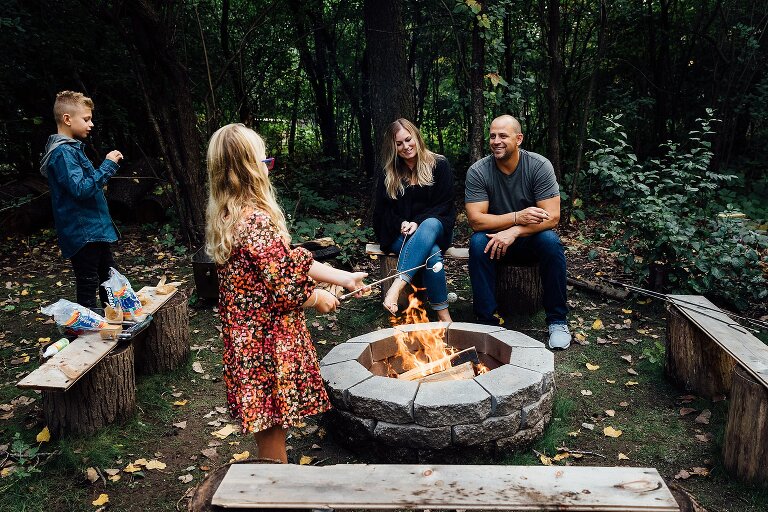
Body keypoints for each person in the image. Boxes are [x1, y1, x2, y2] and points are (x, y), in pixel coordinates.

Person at [205, 123, 368, 463]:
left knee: (270, 421)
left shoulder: (229, 214)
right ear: (252, 169)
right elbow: (285, 287)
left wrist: (344, 277)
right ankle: (274, 488)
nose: (269, 167)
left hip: (248, 341)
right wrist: (319, 298)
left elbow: (291, 260)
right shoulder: (255, 222)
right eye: (266, 160)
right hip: (265, 343)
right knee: (273, 426)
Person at [465, 115, 571, 349]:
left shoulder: (538, 165)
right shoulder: (479, 171)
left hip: (529, 239)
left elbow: (552, 217)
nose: (496, 141)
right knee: (476, 242)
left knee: (550, 241)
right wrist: (515, 217)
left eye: (503, 135)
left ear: (519, 138)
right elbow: (476, 220)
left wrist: (514, 230)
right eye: (492, 135)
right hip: (496, 240)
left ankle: (557, 320)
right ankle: (487, 321)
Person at [40, 91, 124, 309]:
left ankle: (113, 325)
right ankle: (84, 337)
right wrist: (107, 165)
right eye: (86, 119)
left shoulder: (71, 150)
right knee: (89, 284)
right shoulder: (62, 154)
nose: (91, 124)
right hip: (84, 234)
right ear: (67, 119)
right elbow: (81, 189)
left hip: (94, 231)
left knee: (109, 279)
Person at [373, 118, 456, 322]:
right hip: (399, 233)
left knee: (429, 224)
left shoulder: (439, 165)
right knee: (432, 254)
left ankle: (396, 286)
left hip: (435, 227)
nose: (405, 147)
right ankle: (444, 316)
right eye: (398, 144)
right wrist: (401, 222)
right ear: (393, 147)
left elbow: (444, 204)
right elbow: (383, 212)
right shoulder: (389, 173)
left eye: (408, 140)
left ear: (417, 138)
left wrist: (417, 222)